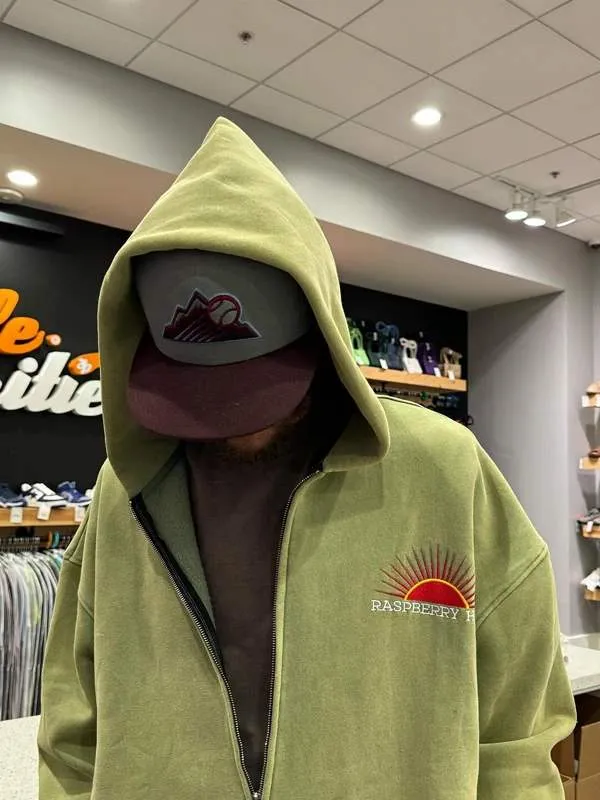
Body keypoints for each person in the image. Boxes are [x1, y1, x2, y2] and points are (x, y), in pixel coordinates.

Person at [38, 117, 575, 800]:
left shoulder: (444, 469)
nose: (236, 426)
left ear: (322, 338)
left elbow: (518, 736)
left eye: (258, 391)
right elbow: (72, 736)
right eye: (200, 396)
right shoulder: (126, 491)